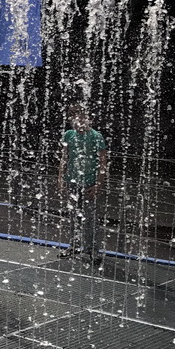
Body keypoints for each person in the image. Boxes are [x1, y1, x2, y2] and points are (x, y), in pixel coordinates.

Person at [58, 105, 108, 262]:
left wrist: (99, 184)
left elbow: (102, 161)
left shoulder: (96, 136)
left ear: (89, 120)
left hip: (89, 183)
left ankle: (93, 250)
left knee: (90, 217)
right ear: (72, 120)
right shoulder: (68, 135)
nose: (80, 122)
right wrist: (61, 178)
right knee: (73, 215)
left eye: (83, 118)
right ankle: (73, 246)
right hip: (72, 181)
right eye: (76, 119)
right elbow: (64, 158)